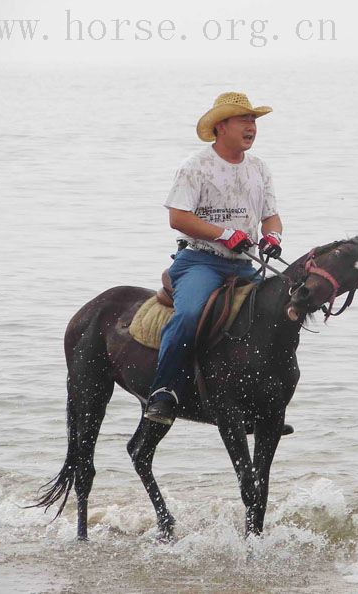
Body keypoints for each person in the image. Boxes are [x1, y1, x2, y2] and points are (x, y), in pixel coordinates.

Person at [145, 91, 284, 426]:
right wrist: (223, 234)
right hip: (200, 261)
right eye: (244, 120)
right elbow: (178, 217)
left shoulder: (260, 168)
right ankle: (163, 393)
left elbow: (272, 216)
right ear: (221, 127)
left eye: (253, 121)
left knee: (278, 315)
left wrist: (272, 237)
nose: (251, 127)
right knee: (190, 313)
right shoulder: (195, 167)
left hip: (244, 264)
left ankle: (262, 401)